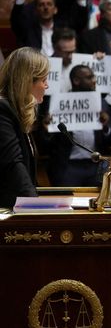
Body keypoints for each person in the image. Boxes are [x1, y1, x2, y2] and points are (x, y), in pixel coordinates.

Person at [0, 47, 47, 209]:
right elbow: (13, 163)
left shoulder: (17, 112)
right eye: (43, 80)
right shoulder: (3, 109)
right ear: (28, 81)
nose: (46, 86)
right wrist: (36, 206)